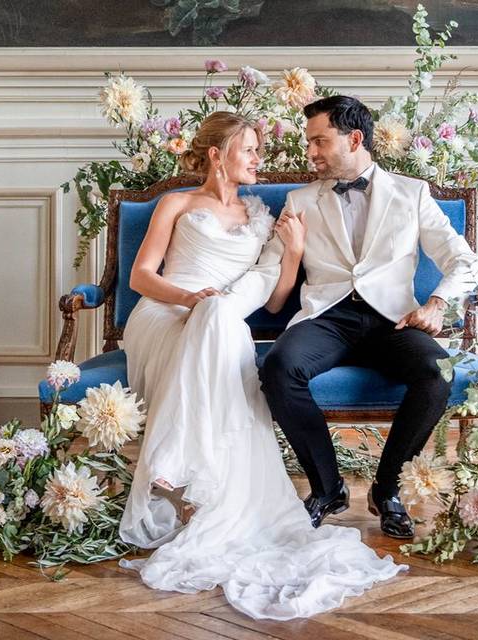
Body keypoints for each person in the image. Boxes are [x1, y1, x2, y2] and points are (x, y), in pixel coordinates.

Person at [118, 111, 406, 621]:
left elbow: (273, 306)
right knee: (217, 318)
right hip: (166, 313)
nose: (258, 160)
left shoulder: (259, 216)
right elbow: (142, 276)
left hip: (219, 322)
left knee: (223, 322)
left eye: (257, 151)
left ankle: (187, 469)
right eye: (249, 150)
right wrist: (191, 299)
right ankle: (184, 467)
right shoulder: (177, 203)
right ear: (217, 154)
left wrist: (292, 251)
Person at [229, 96, 478, 540]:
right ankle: (327, 489)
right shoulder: (299, 200)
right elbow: (272, 289)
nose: (310, 153)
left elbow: (467, 263)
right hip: (327, 317)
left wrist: (437, 304)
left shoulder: (412, 193)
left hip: (393, 320)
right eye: (309, 142)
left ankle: (387, 490)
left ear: (354, 139)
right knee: (278, 366)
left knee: (436, 372)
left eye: (320, 142)